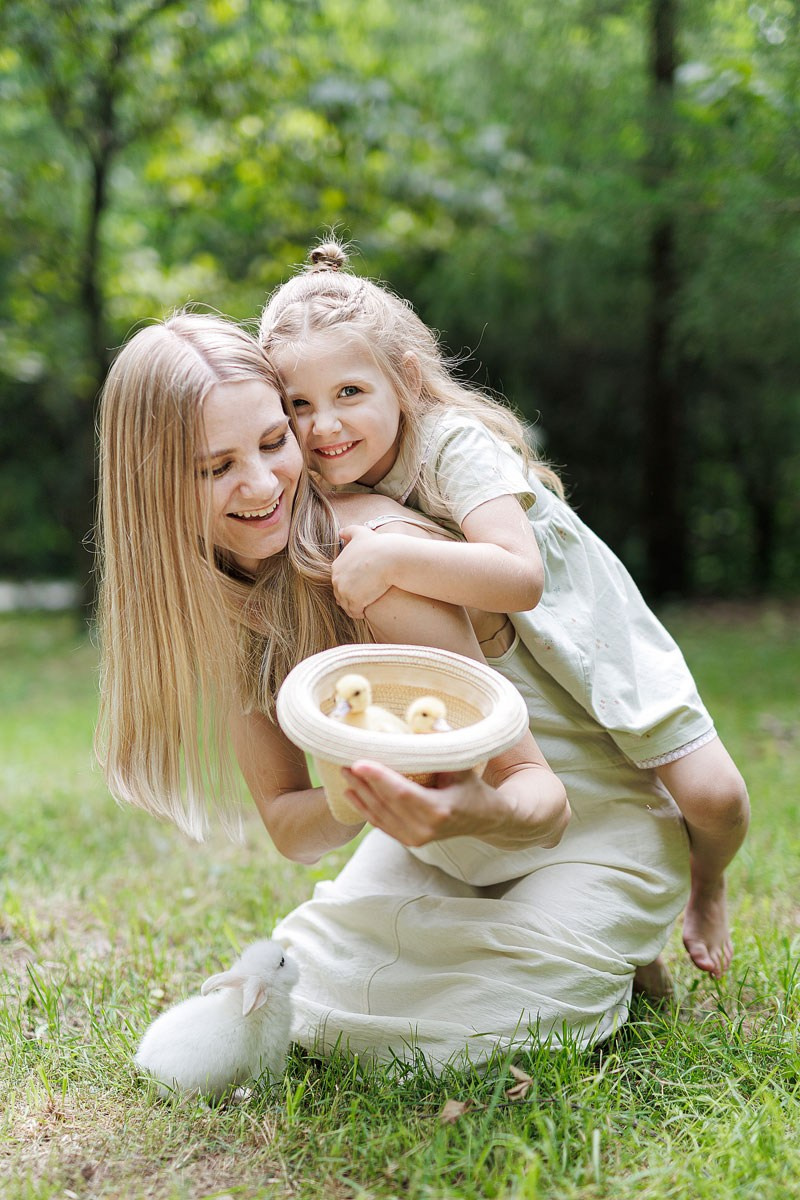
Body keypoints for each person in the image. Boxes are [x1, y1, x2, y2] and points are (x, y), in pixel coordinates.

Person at [95, 312, 714, 1069]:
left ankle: (609, 938)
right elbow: (291, 823)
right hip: (442, 852)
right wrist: (354, 802)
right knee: (302, 1007)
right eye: (213, 467)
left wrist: (473, 809)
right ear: (151, 487)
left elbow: (536, 793)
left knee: (445, 1041)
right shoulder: (225, 600)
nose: (260, 484)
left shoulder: (368, 563)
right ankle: (533, 931)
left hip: (582, 830)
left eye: (271, 442)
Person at [258, 240, 750, 982]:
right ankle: (619, 924)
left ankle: (705, 886)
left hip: (587, 630)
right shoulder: (333, 480)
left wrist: (393, 558)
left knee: (713, 795)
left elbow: (520, 578)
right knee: (588, 785)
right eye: (299, 405)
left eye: (349, 394)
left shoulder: (453, 444)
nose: (324, 427)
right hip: (519, 658)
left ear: (406, 380)